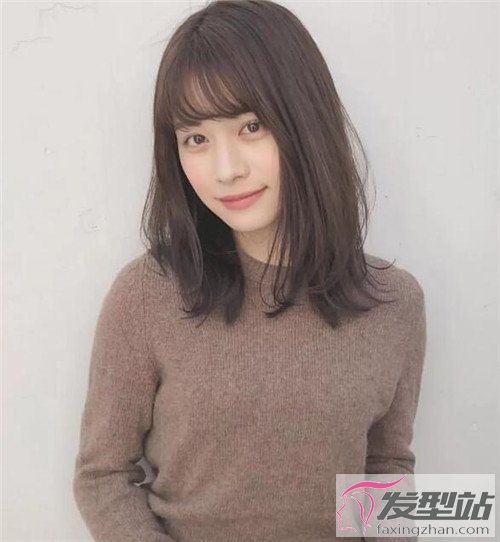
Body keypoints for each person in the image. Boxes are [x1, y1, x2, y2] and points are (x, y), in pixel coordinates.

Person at [72, 1, 427, 541]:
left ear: (304, 121)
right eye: (196, 138)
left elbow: (385, 465)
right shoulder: (146, 295)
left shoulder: (394, 303)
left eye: (251, 126)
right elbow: (103, 476)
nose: (226, 169)